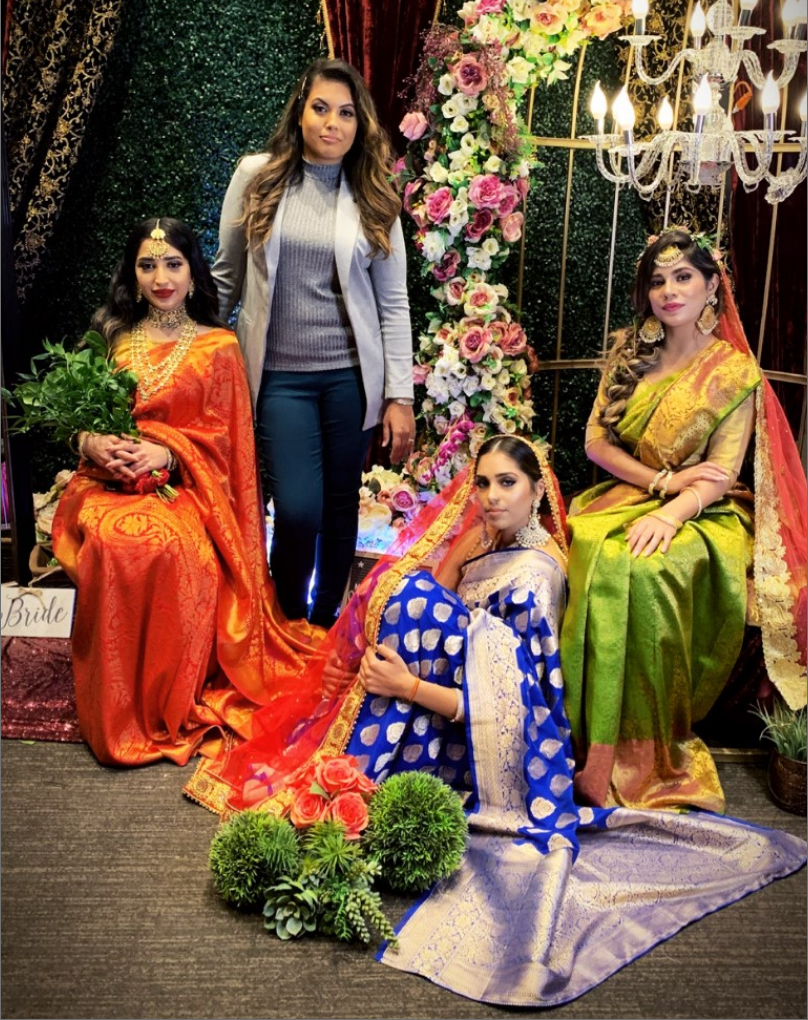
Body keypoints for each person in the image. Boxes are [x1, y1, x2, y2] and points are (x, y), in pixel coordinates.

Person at [185, 431, 805, 1008]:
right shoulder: (494, 545)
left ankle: (359, 778)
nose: (489, 496)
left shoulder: (532, 580)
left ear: (538, 491)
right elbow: (449, 604)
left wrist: (409, 685)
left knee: (410, 598)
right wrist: (460, 553)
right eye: (481, 483)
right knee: (412, 592)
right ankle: (354, 779)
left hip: (488, 757)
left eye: (507, 483)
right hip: (442, 713)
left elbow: (518, 712)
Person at [52, 218, 321, 767]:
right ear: (132, 274)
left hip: (187, 488)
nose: (160, 277)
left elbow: (231, 447)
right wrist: (93, 441)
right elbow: (73, 420)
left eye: (173, 264)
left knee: (177, 550)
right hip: (106, 483)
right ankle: (115, 704)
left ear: (193, 274)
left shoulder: (218, 347)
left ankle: (165, 698)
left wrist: (170, 454)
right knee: (111, 540)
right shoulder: (111, 337)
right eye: (147, 265)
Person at [560, 228, 807, 812]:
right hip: (632, 491)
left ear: (711, 286)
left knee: (645, 570)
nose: (669, 291)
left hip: (705, 514)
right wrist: (660, 482)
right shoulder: (628, 352)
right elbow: (597, 442)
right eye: (657, 280)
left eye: (683, 277)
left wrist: (672, 513)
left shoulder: (733, 372)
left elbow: (720, 474)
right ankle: (581, 737)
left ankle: (648, 751)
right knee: (595, 547)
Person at [211, 58, 415, 630]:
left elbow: (393, 303)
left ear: (361, 124)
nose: (332, 123)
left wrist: (400, 395)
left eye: (346, 113)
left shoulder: (375, 194)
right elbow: (226, 278)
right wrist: (180, 345)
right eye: (320, 108)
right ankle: (283, 621)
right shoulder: (258, 177)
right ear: (299, 114)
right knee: (298, 510)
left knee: (340, 508)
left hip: (350, 378)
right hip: (279, 378)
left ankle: (325, 625)